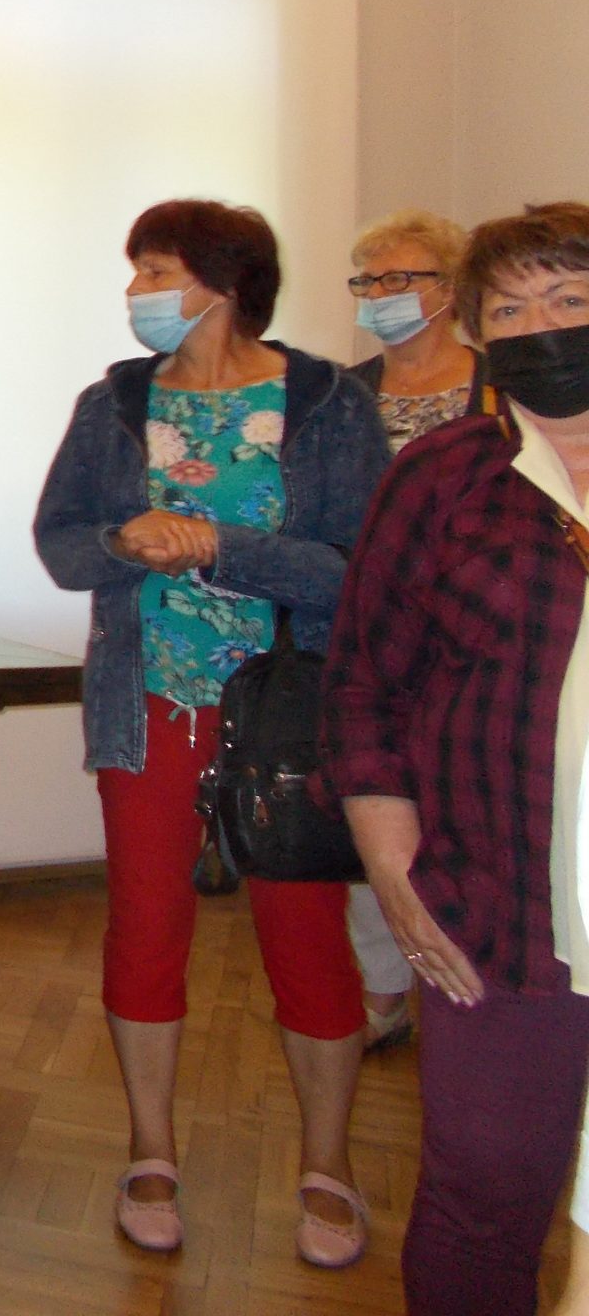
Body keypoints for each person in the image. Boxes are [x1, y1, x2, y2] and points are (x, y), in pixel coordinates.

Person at [33, 199, 388, 1268]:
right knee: (145, 926)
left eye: (157, 271)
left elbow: (356, 568)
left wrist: (216, 546)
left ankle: (327, 1165)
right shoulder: (113, 401)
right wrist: (123, 539)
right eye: (136, 271)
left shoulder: (323, 401)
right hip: (148, 705)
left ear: (225, 283)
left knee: (303, 929)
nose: (137, 291)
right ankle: (150, 1152)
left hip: (284, 712)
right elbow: (61, 544)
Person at [324, 201, 589, 1316]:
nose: (543, 328)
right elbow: (363, 687)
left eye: (568, 299)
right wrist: (395, 876)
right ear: (477, 332)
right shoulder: (443, 478)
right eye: (510, 310)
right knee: (484, 1193)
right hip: (499, 913)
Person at [339, 207, 481, 1055]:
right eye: (368, 280)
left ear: (451, 289)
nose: (381, 294)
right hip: (374, 637)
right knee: (377, 812)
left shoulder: (499, 386)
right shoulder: (341, 396)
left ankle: (473, 983)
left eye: (401, 277)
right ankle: (385, 989)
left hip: (476, 639)